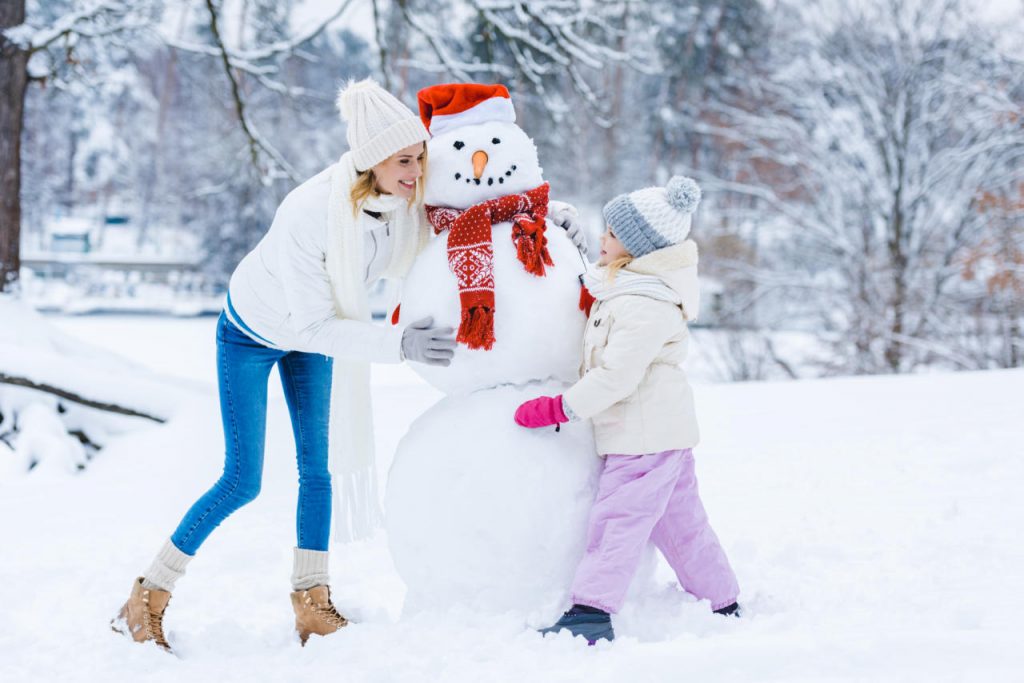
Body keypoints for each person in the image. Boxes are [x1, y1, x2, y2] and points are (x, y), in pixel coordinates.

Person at [111, 79, 457, 651]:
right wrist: (399, 344)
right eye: (405, 159)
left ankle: (313, 605)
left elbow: (459, 221)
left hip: (313, 333)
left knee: (316, 471)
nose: (418, 170)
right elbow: (314, 326)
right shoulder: (309, 211)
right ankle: (146, 596)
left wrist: (550, 215)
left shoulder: (403, 202)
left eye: (421, 156)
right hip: (252, 334)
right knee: (242, 480)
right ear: (372, 160)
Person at [514, 176, 740, 644]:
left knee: (618, 521)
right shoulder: (633, 287)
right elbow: (592, 282)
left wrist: (560, 408)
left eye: (612, 235)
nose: (602, 238)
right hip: (661, 433)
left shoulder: (644, 303)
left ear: (637, 248)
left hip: (642, 437)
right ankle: (722, 601)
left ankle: (592, 611)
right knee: (681, 524)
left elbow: (617, 376)